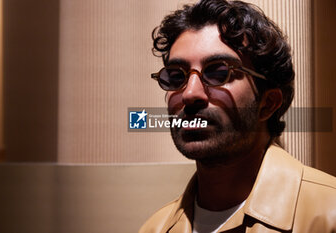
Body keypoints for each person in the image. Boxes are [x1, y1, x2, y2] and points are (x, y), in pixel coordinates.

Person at [139, 0, 336, 232]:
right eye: (176, 76)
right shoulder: (156, 228)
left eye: (219, 72)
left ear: (268, 103)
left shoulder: (328, 214)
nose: (190, 93)